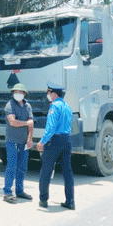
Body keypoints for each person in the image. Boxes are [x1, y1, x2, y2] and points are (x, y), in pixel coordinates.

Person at [36, 82, 74, 210]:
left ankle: (43, 200)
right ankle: (70, 201)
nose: (48, 95)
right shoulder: (68, 107)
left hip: (54, 140)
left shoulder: (54, 107)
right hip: (66, 140)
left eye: (49, 92)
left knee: (46, 170)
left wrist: (42, 141)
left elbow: (50, 128)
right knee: (67, 171)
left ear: (54, 94)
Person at [2, 83, 34, 203]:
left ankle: (19, 191)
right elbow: (12, 122)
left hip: (24, 141)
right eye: (15, 92)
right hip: (12, 141)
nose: (17, 94)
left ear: (24, 94)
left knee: (22, 167)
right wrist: (26, 123)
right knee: (12, 166)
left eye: (20, 92)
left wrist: (30, 138)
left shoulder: (28, 106)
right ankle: (7, 192)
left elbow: (32, 124)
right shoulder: (9, 105)